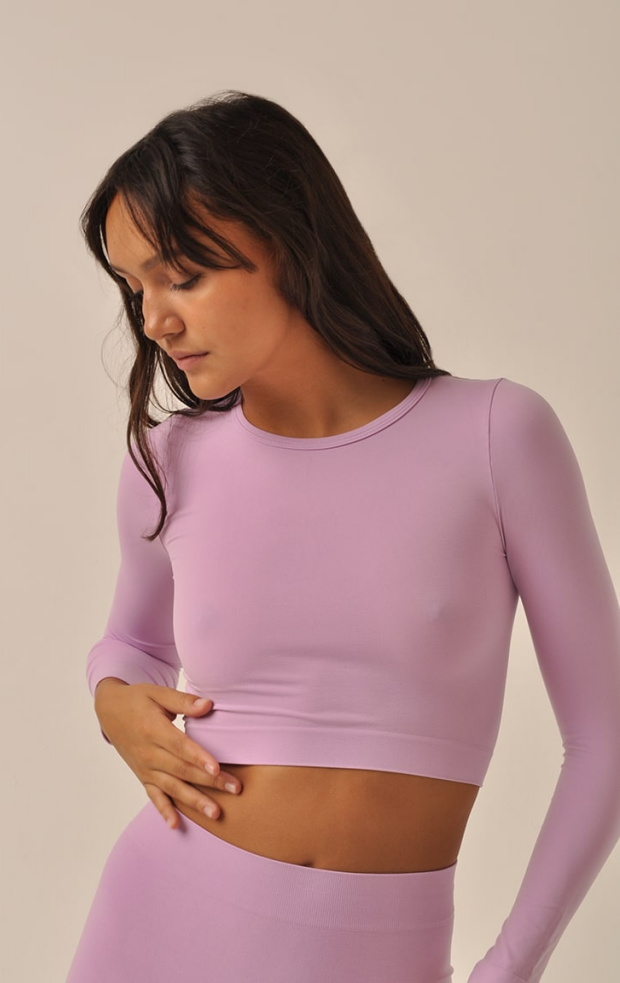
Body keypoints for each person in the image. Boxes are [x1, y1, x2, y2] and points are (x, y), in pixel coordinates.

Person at [65, 90, 620, 983]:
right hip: (162, 918)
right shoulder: (170, 460)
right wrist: (112, 700)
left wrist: (510, 967)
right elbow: (132, 641)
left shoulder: (496, 436)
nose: (155, 321)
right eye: (136, 289)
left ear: (288, 239)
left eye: (182, 276)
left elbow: (605, 736)